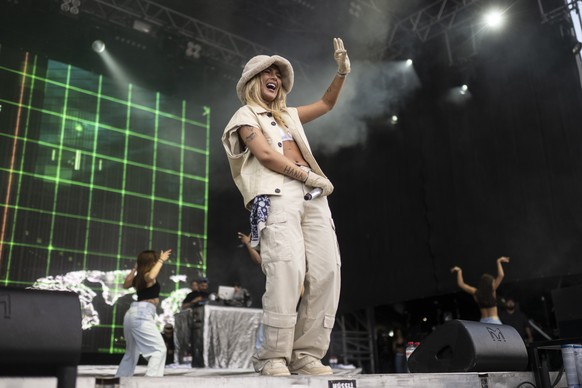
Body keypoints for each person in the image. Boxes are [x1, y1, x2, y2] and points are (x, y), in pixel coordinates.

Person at [222, 38, 349, 376]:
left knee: (327, 272)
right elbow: (265, 155)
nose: (275, 75)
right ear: (254, 80)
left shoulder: (289, 116)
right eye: (268, 71)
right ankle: (272, 356)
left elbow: (325, 103)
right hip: (278, 194)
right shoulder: (245, 115)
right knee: (286, 271)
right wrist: (309, 176)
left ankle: (306, 354)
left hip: (313, 197)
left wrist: (341, 72)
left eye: (279, 72)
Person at [115, 249, 171, 377]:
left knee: (131, 354)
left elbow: (126, 284)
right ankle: (150, 384)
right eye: (155, 260)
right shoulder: (146, 276)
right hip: (141, 314)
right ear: (152, 262)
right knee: (159, 350)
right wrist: (161, 260)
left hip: (132, 314)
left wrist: (135, 268)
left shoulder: (138, 277)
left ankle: (121, 382)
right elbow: (151, 276)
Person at [451, 256, 510, 324]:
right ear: (490, 283)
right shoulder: (492, 289)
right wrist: (498, 261)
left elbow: (461, 284)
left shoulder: (476, 292)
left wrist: (459, 271)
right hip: (494, 321)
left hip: (483, 322)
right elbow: (501, 275)